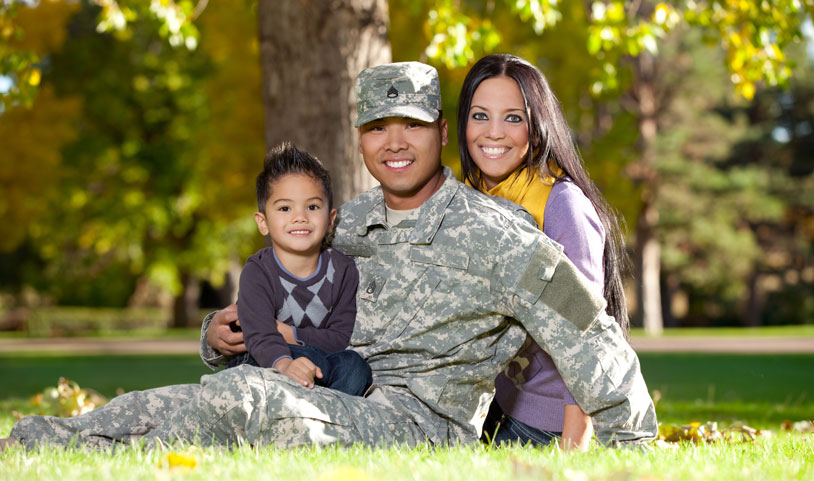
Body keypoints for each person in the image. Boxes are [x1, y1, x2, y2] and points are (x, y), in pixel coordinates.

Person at [3, 61, 657, 451]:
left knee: (259, 403)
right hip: (332, 391)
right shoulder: (343, 224)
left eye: (411, 126)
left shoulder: (505, 235)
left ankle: (45, 443)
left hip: (418, 424)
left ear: (440, 134)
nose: (393, 141)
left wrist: (631, 446)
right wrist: (218, 334)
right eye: (377, 127)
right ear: (361, 137)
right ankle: (37, 441)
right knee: (236, 387)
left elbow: (592, 336)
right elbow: (275, 318)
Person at [458, 54, 630, 450]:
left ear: (538, 129)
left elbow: (587, 336)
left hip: (546, 423)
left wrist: (574, 446)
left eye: (513, 118)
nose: (494, 133)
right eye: (480, 116)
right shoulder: (474, 201)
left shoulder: (560, 203)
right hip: (493, 407)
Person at [224, 142, 370, 397]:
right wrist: (285, 364)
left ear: (331, 220)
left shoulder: (343, 269)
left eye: (312, 207)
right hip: (265, 358)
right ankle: (293, 400)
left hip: (318, 361)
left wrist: (292, 334)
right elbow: (258, 335)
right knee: (249, 363)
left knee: (355, 367)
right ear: (263, 222)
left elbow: (340, 336)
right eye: (284, 208)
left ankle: (313, 408)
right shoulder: (258, 271)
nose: (299, 216)